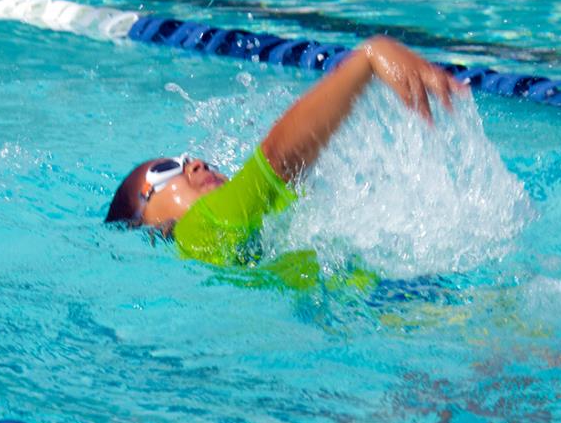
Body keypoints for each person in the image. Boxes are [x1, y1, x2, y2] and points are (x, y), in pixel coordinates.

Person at [105, 37, 464, 279]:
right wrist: (368, 59)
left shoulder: (265, 227)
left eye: (188, 158)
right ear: (145, 220)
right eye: (167, 170)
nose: (197, 163)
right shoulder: (195, 233)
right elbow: (279, 158)